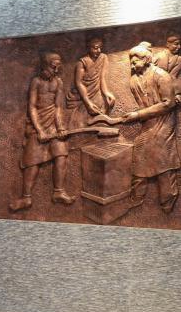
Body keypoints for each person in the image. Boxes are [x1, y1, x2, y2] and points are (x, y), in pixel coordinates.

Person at [9, 51, 75, 212]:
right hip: (37, 125)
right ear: (45, 66)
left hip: (53, 124)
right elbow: (32, 107)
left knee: (61, 154)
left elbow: (58, 107)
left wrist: (60, 127)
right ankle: (26, 198)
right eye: (53, 67)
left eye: (58, 67)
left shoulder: (58, 82)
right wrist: (39, 130)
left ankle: (58, 192)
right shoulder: (36, 82)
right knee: (32, 161)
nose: (56, 70)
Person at [117, 42, 179, 212]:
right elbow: (145, 103)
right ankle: (136, 198)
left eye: (135, 61)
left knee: (163, 159)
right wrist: (135, 116)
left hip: (164, 122)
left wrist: (138, 115)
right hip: (148, 123)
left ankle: (168, 199)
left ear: (145, 60)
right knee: (140, 155)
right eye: (130, 62)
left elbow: (168, 103)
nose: (132, 65)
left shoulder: (161, 76)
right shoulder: (134, 80)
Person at [65, 37, 114, 127]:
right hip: (83, 95)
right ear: (88, 48)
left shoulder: (103, 57)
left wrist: (106, 93)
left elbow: (102, 77)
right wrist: (87, 102)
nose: (99, 51)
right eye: (95, 48)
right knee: (80, 122)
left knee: (101, 119)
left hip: (97, 92)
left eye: (100, 48)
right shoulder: (82, 62)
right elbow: (79, 83)